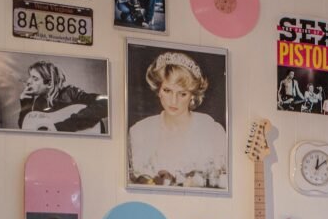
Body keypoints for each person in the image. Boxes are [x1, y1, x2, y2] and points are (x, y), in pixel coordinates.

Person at [128, 51, 227, 189]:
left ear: (192, 95)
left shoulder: (212, 131)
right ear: (158, 90)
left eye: (182, 94)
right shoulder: (139, 132)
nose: (173, 101)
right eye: (167, 91)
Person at [18, 61, 108, 133]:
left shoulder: (71, 93)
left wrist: (64, 126)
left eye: (35, 78)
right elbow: (27, 128)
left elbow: (105, 102)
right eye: (30, 77)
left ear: (49, 84)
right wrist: (25, 103)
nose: (28, 81)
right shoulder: (39, 102)